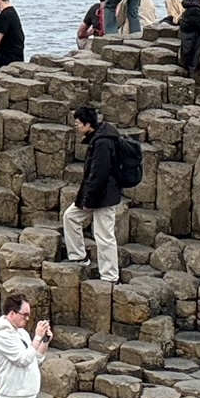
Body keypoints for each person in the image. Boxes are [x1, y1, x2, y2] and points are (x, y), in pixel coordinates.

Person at [65, 104, 124, 282]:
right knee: (71, 217)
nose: (76, 126)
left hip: (104, 197)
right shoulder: (98, 138)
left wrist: (88, 200)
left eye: (78, 123)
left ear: (87, 124)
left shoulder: (103, 143)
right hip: (95, 195)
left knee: (104, 235)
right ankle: (78, 256)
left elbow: (99, 175)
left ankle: (110, 275)